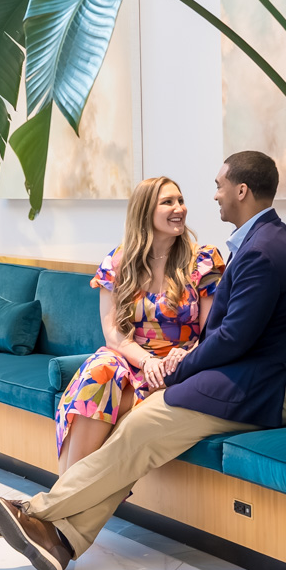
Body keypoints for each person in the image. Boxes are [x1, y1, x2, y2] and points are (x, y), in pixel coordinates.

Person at [0, 151, 286, 570]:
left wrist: (176, 368)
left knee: (140, 427)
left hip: (270, 389)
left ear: (242, 191)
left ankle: (32, 511)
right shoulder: (259, 242)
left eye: (219, 186)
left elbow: (230, 338)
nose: (214, 196)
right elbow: (221, 338)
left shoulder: (261, 250)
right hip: (245, 377)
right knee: (132, 416)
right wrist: (172, 364)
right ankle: (59, 541)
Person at [54, 176, 224, 473]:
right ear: (145, 211)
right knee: (97, 373)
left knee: (99, 405)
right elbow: (113, 334)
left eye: (180, 201)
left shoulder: (203, 259)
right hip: (132, 357)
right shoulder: (118, 262)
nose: (179, 209)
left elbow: (213, 331)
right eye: (168, 202)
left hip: (180, 362)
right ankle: (63, 501)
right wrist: (146, 361)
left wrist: (182, 357)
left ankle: (58, 503)